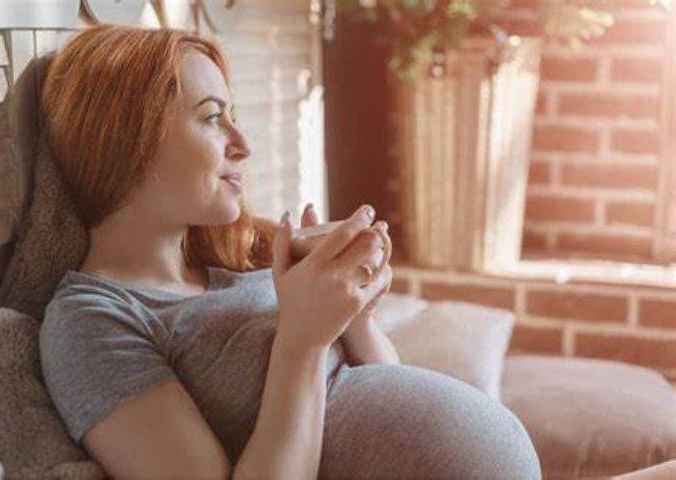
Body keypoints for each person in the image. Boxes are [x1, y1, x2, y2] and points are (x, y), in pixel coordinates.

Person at [38, 24, 543, 479]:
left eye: (233, 116)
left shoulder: (239, 259)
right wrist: (302, 340)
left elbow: (385, 385)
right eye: (213, 117)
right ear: (127, 138)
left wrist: (355, 316)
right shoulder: (90, 321)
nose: (242, 144)